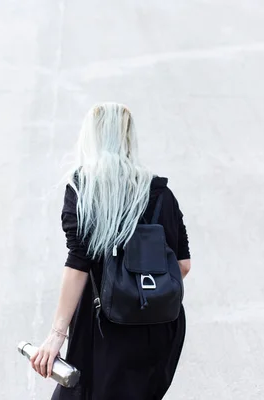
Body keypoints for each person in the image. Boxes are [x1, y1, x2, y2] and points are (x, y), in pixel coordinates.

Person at [29, 103, 191, 400]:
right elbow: (182, 265)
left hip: (104, 327)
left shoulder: (84, 188)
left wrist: (56, 335)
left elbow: (78, 263)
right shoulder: (162, 194)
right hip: (158, 327)